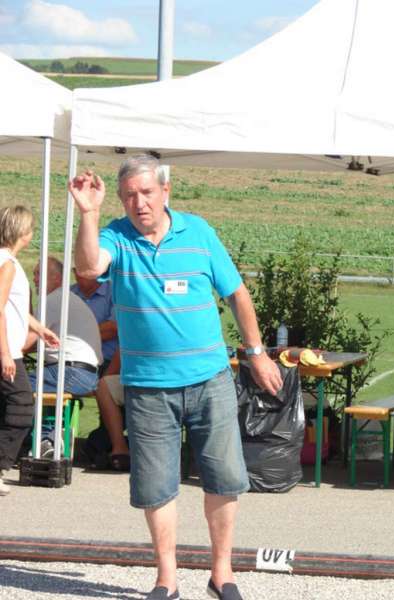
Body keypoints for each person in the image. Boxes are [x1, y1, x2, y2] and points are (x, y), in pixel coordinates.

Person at [69, 155, 282, 600]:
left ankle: (221, 574)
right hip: (147, 387)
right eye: (129, 195)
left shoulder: (199, 232)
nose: (138, 203)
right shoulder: (116, 237)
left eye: (147, 193)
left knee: (224, 480)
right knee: (156, 487)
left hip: (210, 381)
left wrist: (256, 353)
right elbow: (89, 267)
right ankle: (167, 580)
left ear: (166, 192)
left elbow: (237, 294)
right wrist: (87, 213)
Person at [0, 206, 59, 496]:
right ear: (23, 232)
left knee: (7, 405)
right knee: (22, 405)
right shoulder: (7, 264)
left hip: (9, 346)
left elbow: (15, 308)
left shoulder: (8, 261)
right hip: (6, 349)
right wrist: (5, 353)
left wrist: (38, 328)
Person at [26, 256, 103, 396]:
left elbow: (26, 342)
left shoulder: (53, 300)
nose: (34, 279)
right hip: (85, 374)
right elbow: (33, 341)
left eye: (39, 274)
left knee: (12, 387)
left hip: (70, 373)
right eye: (34, 274)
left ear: (57, 278)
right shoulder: (65, 298)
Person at [71, 268, 118, 375]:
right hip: (71, 360)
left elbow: (112, 329)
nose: (79, 275)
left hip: (104, 363)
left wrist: (72, 337)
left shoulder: (115, 293)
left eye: (84, 269)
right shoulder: (68, 293)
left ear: (99, 273)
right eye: (76, 270)